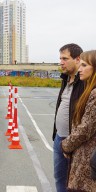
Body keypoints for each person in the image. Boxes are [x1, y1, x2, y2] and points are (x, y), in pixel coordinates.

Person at [62, 50, 96, 191]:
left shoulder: (94, 94)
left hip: (87, 159)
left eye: (84, 65)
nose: (80, 69)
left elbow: (86, 128)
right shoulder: (89, 89)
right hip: (83, 155)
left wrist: (66, 145)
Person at [52, 43, 84, 192]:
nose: (61, 62)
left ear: (77, 59)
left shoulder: (86, 83)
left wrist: (73, 141)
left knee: (75, 182)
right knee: (59, 177)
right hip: (60, 138)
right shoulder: (65, 79)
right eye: (60, 58)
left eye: (65, 58)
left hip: (76, 142)